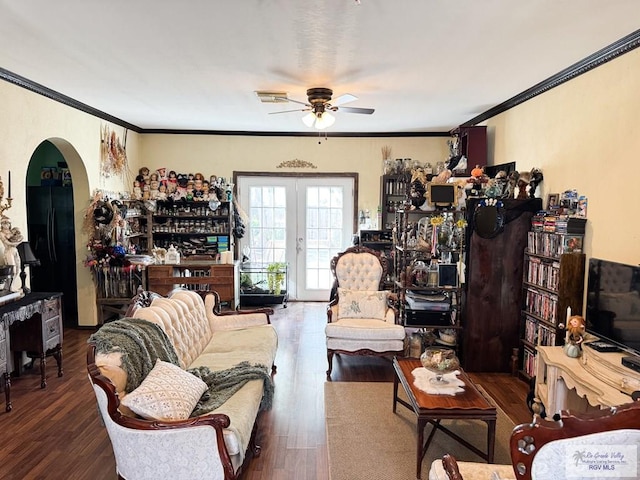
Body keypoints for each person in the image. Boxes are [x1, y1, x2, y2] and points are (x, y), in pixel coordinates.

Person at [0, 216, 24, 286]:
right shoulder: (1, 233)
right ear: (1, 224)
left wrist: (18, 241)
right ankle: (8, 287)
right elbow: (8, 243)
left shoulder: (12, 231)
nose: (7, 225)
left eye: (8, 223)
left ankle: (11, 286)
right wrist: (17, 243)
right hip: (8, 251)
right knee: (12, 270)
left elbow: (19, 237)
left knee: (17, 269)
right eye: (4, 223)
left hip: (15, 250)